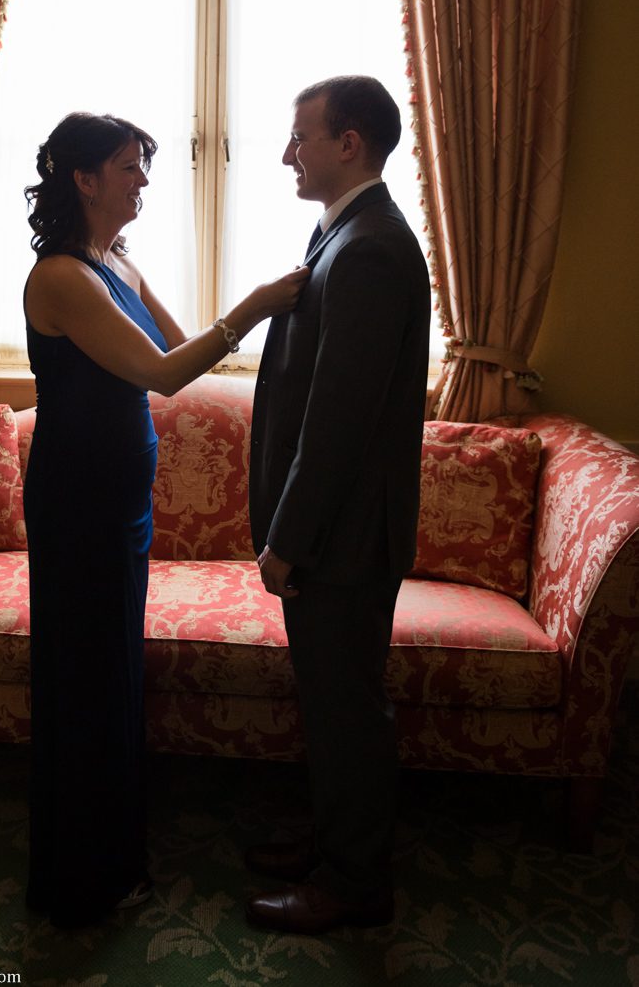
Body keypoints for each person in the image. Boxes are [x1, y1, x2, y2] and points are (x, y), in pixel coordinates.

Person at [22, 110, 308, 929]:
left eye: (143, 166)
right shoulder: (61, 278)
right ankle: (79, 878)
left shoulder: (117, 261)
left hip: (120, 500)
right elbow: (164, 374)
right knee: (84, 678)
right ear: (84, 179)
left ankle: (112, 855)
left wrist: (272, 331)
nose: (144, 180)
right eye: (129, 166)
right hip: (77, 500)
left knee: (112, 671)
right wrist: (254, 304)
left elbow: (188, 346)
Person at [245, 75, 431, 935]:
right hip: (336, 535)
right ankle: (331, 839)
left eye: (300, 136)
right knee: (329, 702)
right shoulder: (343, 236)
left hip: (342, 541)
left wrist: (288, 540)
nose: (289, 152)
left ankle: (355, 886)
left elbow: (339, 423)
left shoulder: (370, 250)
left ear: (347, 143)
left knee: (349, 712)